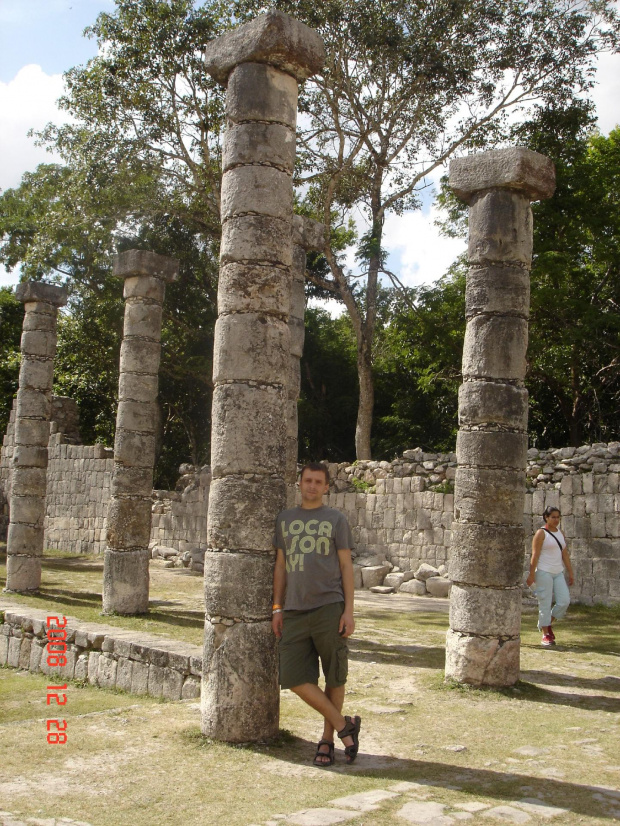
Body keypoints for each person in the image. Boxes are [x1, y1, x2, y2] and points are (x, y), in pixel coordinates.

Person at [272, 462, 361, 767]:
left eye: (318, 482)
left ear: (326, 487)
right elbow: (281, 566)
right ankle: (343, 724)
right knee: (293, 676)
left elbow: (347, 567)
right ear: (299, 484)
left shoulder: (336, 519)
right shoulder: (285, 519)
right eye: (307, 480)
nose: (311, 485)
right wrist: (277, 606)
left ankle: (327, 740)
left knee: (334, 676)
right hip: (294, 610)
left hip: (329, 607)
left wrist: (349, 610)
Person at [527, 506, 575, 647]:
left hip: (558, 571)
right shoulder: (541, 533)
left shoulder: (561, 533)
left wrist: (570, 572)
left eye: (558, 517)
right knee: (545, 603)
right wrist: (531, 574)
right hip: (543, 571)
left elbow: (565, 554)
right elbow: (534, 555)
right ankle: (546, 634)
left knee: (564, 601)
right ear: (546, 517)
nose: (556, 520)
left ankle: (546, 624)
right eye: (553, 517)